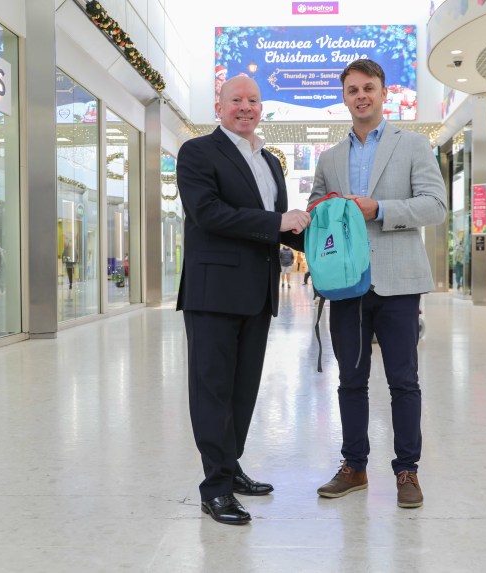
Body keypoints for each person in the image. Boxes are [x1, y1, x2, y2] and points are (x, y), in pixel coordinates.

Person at [308, 59, 448, 509]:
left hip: (398, 283)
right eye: (352, 89)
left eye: (369, 87)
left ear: (384, 93)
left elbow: (434, 206)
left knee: (403, 381)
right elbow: (315, 211)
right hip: (345, 284)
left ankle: (407, 470)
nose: (361, 96)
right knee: (350, 379)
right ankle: (354, 466)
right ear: (344, 97)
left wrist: (380, 210)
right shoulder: (330, 158)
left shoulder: (414, 146)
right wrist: (322, 211)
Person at [176, 75, 310, 525]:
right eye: (237, 100)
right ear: (220, 106)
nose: (246, 107)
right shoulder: (197, 152)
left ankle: (230, 469)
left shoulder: (270, 162)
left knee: (243, 391)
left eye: (254, 100)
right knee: (212, 390)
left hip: (257, 293)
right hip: (213, 292)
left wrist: (335, 238)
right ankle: (213, 488)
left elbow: (284, 226)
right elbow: (208, 213)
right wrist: (276, 224)